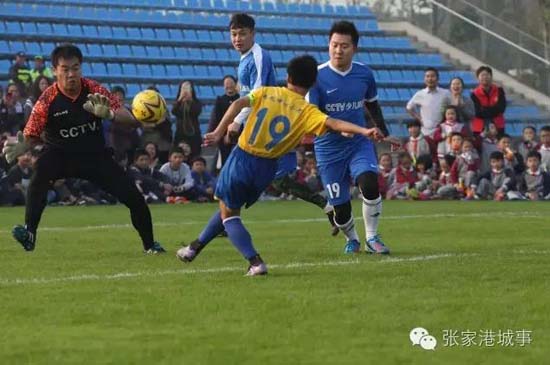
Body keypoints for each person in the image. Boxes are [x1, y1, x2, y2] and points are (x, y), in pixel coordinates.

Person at [176, 55, 383, 275]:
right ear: (313, 83)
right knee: (229, 206)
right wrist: (364, 130)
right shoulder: (307, 111)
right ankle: (193, 248)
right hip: (267, 169)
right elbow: (332, 123)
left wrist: (218, 131)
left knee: (230, 215)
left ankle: (255, 262)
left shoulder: (267, 91)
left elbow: (238, 103)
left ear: (288, 77)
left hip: (243, 158)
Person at [1, 44, 165, 254]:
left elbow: (130, 119)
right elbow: (31, 135)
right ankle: (29, 233)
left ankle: (150, 245)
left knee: (134, 197)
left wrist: (110, 115)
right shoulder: (46, 100)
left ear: (81, 67)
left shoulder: (94, 89)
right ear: (55, 71)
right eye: (65, 69)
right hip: (59, 154)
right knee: (40, 172)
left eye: (75, 68)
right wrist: (23, 145)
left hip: (95, 156)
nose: (71, 74)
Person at [226, 13, 338, 236]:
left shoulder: (258, 56)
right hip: (260, 129)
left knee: (271, 180)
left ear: (253, 34)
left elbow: (256, 95)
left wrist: (236, 121)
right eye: (234, 34)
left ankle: (328, 207)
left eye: (242, 34)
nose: (237, 39)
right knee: (250, 179)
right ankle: (226, 220)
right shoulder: (245, 58)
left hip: (271, 128)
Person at [308, 21, 399, 254]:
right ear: (328, 46)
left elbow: (373, 106)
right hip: (328, 148)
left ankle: (372, 237)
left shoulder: (364, 74)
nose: (338, 50)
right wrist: (338, 129)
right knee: (341, 210)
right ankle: (352, 238)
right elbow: (313, 119)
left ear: (354, 48)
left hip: (359, 143)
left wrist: (386, 135)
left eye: (344, 46)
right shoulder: (316, 77)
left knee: (369, 182)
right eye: (334, 45)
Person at [406, 67, 451, 139]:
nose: (430, 79)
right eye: (427, 76)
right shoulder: (420, 94)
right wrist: (419, 118)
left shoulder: (445, 93)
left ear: (437, 78)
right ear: (424, 79)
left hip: (442, 131)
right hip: (425, 132)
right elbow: (409, 107)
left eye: (432, 76)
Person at [208, 75, 240, 170]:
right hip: (224, 138)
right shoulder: (220, 100)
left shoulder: (241, 99)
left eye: (231, 83)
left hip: (240, 135)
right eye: (226, 84)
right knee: (225, 162)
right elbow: (215, 119)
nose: (229, 86)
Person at [470, 66, 506, 136]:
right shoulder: (474, 93)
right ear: (478, 78)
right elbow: (477, 112)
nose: (485, 77)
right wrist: (493, 109)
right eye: (482, 75)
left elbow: (501, 108)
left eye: (487, 75)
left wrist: (485, 109)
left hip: (498, 125)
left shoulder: (499, 91)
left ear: (491, 76)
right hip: (479, 126)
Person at [172, 80, 202, 159]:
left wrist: (190, 101)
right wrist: (180, 100)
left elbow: (197, 111)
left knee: (195, 155)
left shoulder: (196, 102)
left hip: (194, 133)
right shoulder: (177, 103)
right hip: (180, 133)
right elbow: (174, 111)